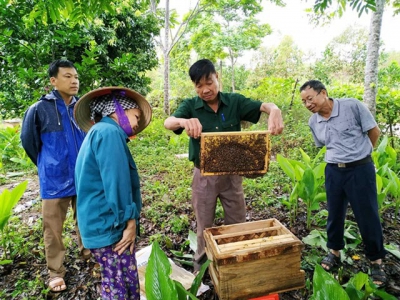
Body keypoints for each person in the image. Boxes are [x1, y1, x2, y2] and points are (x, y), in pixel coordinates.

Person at [164, 59, 284, 272]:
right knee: (204, 226)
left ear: (217, 77)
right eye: (198, 85)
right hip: (204, 177)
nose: (205, 89)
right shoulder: (191, 105)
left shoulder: (234, 102)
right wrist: (184, 122)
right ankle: (201, 272)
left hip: (232, 176)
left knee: (237, 223)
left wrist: (274, 109)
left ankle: (235, 264)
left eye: (208, 82)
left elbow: (262, 106)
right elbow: (168, 122)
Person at [299, 80, 386, 287]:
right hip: (333, 171)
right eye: (303, 102)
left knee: (367, 215)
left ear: (323, 93)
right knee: (334, 213)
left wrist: (362, 156)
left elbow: (374, 132)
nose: (307, 104)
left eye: (310, 99)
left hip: (360, 169)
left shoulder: (352, 106)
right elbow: (324, 145)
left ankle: (376, 261)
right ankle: (334, 252)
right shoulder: (314, 121)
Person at [74, 87, 152, 299]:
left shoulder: (100, 132)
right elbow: (116, 182)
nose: (137, 123)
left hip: (103, 223)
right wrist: (130, 222)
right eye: (136, 116)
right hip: (109, 226)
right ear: (117, 110)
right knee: (119, 287)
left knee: (120, 281)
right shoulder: (109, 134)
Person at [20, 59, 89, 292]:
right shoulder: (39, 109)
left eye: (76, 77)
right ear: (53, 81)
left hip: (83, 175)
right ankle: (56, 271)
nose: (74, 81)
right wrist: (47, 164)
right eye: (68, 76)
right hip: (54, 179)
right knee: (53, 229)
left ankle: (89, 255)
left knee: (87, 220)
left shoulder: (84, 107)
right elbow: (29, 142)